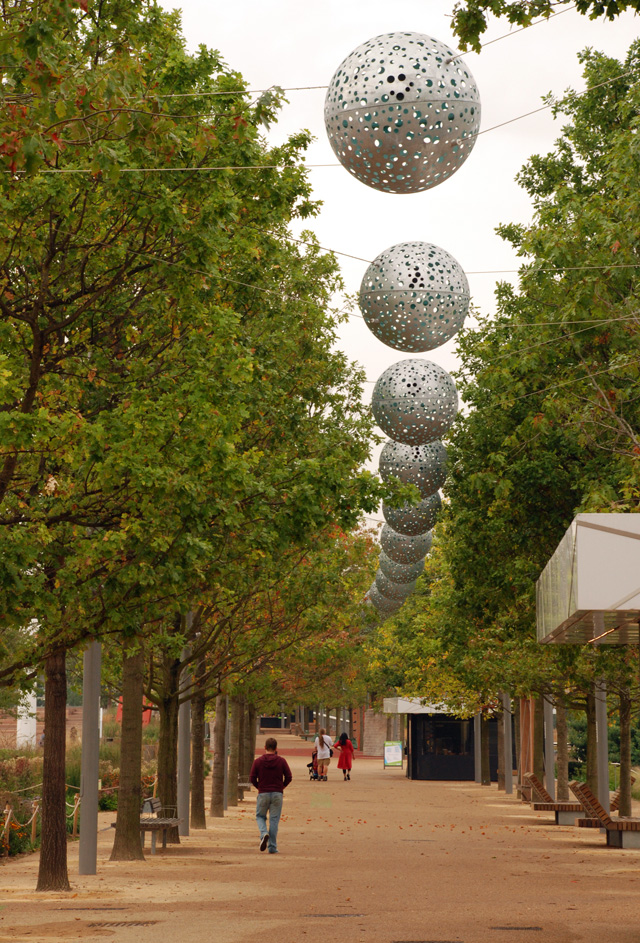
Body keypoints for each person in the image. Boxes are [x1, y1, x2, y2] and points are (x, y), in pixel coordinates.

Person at [249, 737, 292, 855]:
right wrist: (281, 787)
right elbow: (289, 776)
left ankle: (263, 833)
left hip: (263, 793)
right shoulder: (281, 761)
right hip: (277, 793)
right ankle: (272, 846)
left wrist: (259, 787)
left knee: (260, 816)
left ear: (265, 747)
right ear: (276, 748)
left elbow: (252, 778)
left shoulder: (258, 761)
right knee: (274, 820)